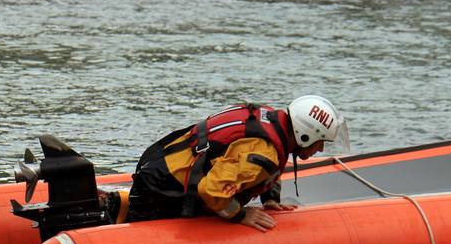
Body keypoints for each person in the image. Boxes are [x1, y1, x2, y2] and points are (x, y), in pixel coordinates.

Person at [123, 95, 349, 231]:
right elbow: (211, 190)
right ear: (305, 135)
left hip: (160, 166)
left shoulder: (271, 120)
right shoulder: (265, 154)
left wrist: (269, 199)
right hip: (161, 189)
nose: (320, 149)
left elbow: (259, 166)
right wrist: (242, 215)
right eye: (320, 142)